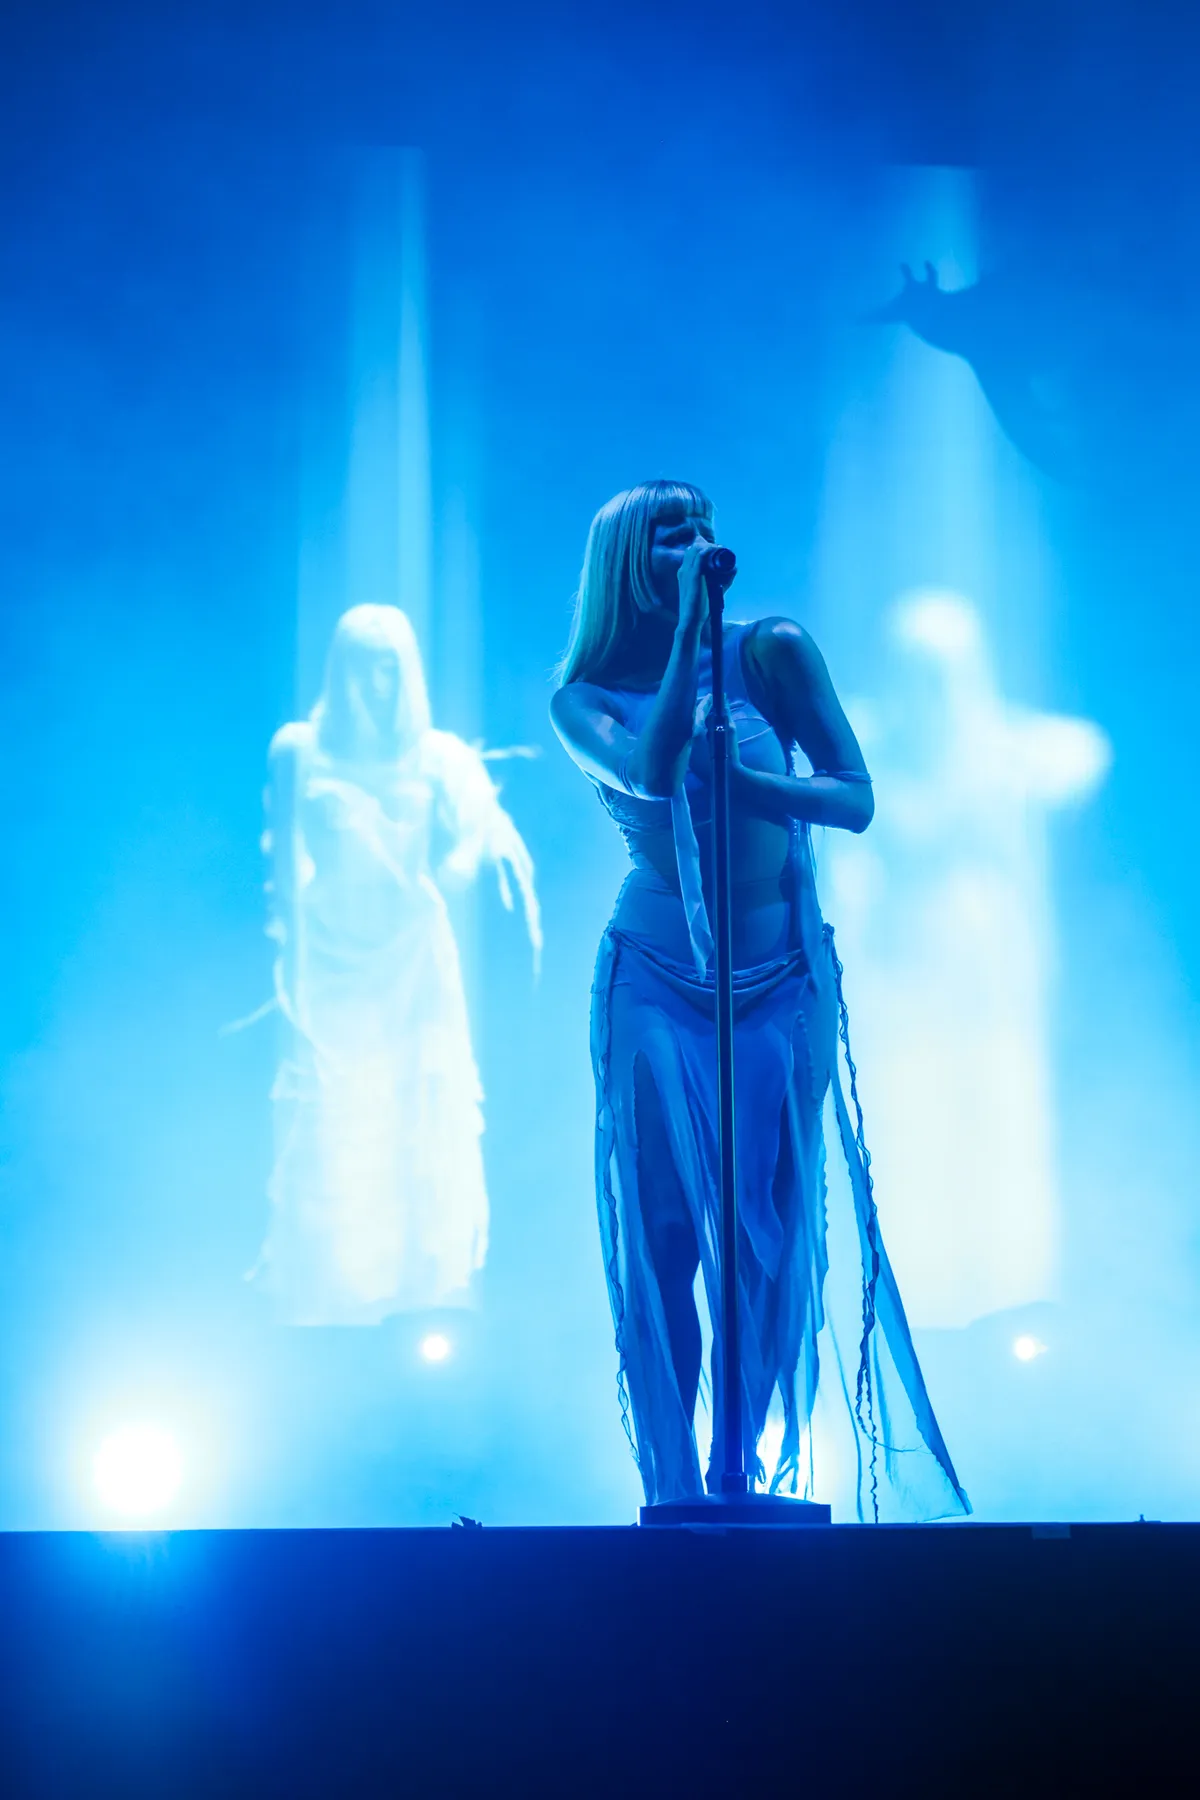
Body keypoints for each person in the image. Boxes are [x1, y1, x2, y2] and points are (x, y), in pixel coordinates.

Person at [551, 480, 968, 1519]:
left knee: (766, 1239)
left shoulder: (773, 650)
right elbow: (653, 779)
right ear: (626, 563)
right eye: (671, 537)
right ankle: (677, 1490)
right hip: (656, 980)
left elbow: (854, 798)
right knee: (662, 1235)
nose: (699, 544)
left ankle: (744, 1468)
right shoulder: (584, 698)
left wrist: (759, 789)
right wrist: (688, 638)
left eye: (704, 527)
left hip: (779, 976)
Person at [255, 603, 540, 1326]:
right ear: (340, 670)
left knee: (419, 1102)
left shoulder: (438, 757)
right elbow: (283, 862)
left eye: (390, 668)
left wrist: (452, 868)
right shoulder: (299, 749)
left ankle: (421, 1286)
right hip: (331, 953)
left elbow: (478, 832)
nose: (376, 684)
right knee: (338, 1110)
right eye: (364, 667)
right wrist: (293, 955)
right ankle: (339, 1288)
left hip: (412, 953)